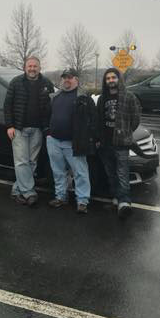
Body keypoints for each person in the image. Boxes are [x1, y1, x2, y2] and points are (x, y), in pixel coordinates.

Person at [4, 56, 55, 206]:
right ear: (25, 67)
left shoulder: (47, 84)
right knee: (21, 162)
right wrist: (10, 126)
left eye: (35, 66)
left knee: (32, 162)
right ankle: (29, 192)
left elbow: (52, 106)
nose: (32, 69)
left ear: (40, 68)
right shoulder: (16, 82)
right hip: (19, 129)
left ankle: (16, 190)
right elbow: (7, 106)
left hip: (38, 130)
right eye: (30, 66)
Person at [46, 69, 96, 213]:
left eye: (70, 77)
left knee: (80, 172)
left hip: (74, 143)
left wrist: (92, 138)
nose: (66, 80)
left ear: (76, 79)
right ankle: (61, 197)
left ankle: (82, 201)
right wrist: (48, 133)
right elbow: (47, 116)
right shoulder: (55, 97)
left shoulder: (84, 97)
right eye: (64, 78)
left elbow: (93, 119)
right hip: (54, 141)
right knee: (58, 171)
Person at [96, 67, 141, 219]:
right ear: (105, 81)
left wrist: (126, 133)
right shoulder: (102, 99)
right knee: (111, 173)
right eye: (108, 78)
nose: (110, 81)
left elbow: (135, 120)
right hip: (105, 143)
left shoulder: (128, 97)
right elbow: (99, 121)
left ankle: (124, 202)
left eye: (113, 78)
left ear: (118, 79)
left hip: (121, 143)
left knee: (122, 173)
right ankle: (115, 197)